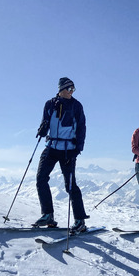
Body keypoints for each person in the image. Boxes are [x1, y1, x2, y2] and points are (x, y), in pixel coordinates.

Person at [33, 77, 89, 233]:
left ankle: (79, 220)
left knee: (70, 185)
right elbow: (45, 122)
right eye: (69, 89)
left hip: (68, 150)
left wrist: (78, 149)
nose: (72, 92)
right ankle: (48, 215)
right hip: (51, 147)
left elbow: (82, 128)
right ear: (61, 89)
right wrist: (42, 129)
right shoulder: (49, 104)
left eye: (73, 89)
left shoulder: (77, 106)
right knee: (40, 179)